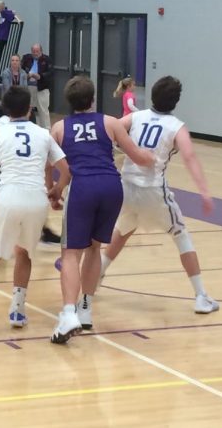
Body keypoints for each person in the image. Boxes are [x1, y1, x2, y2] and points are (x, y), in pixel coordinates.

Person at [99, 76, 220, 326]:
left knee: (124, 228)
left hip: (126, 187)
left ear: (152, 96)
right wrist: (205, 192)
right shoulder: (177, 126)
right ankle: (201, 296)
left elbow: (108, 131)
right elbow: (190, 157)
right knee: (181, 234)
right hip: (153, 191)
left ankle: (97, 272)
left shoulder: (136, 117)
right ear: (176, 101)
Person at [47, 76, 154, 344]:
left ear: (68, 102)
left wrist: (54, 190)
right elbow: (138, 156)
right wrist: (156, 157)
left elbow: (50, 165)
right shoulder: (110, 122)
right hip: (111, 187)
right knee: (94, 248)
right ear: (93, 99)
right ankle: (85, 307)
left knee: (71, 253)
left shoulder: (59, 128)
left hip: (82, 188)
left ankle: (68, 312)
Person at [0, 86, 69, 332]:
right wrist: (56, 191)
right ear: (30, 109)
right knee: (24, 254)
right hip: (36, 200)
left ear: (5, 110)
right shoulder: (43, 133)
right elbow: (66, 169)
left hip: (7, 197)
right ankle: (17, 310)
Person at [21, 44, 53, 129]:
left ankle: (46, 130)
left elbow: (50, 73)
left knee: (43, 110)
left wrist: (40, 76)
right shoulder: (26, 58)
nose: (35, 53)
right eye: (33, 51)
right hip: (29, 88)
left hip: (42, 88)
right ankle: (28, 128)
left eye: (37, 51)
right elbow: (21, 70)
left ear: (41, 51)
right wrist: (26, 75)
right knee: (27, 109)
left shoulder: (47, 60)